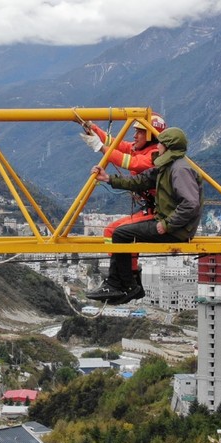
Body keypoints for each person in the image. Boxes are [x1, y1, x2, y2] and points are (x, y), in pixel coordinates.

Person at [85, 127, 203, 304]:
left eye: (161, 143)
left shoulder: (179, 169)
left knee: (120, 234)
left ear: (168, 146)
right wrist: (109, 179)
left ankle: (123, 285)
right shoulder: (166, 166)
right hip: (171, 224)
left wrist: (167, 224)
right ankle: (126, 284)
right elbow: (139, 181)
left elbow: (191, 204)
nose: (158, 146)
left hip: (175, 230)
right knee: (120, 233)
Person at [77, 113, 167, 302]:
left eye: (140, 133)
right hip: (153, 210)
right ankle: (130, 279)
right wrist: (94, 129)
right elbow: (118, 143)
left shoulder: (155, 156)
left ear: (151, 135)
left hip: (160, 214)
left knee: (114, 231)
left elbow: (131, 163)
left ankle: (120, 282)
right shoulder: (143, 149)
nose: (135, 137)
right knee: (117, 233)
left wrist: (100, 147)